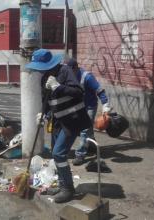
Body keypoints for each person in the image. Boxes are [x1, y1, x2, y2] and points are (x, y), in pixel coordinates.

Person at [27, 49, 91, 203]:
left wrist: (58, 87)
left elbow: (78, 92)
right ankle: (62, 185)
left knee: (58, 153)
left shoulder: (65, 71)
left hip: (73, 120)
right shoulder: (44, 79)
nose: (37, 70)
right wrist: (43, 114)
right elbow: (47, 101)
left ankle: (68, 189)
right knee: (56, 156)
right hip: (58, 122)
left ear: (48, 64)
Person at [67, 59, 113, 166]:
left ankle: (80, 155)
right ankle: (92, 146)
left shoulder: (87, 77)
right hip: (78, 106)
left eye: (70, 71)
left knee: (84, 129)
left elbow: (100, 90)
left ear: (76, 68)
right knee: (87, 128)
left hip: (90, 106)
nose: (68, 74)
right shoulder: (69, 76)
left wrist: (105, 105)